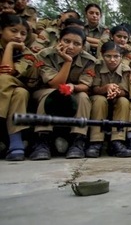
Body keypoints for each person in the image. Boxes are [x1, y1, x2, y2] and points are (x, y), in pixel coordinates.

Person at [30, 27, 96, 160]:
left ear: (82, 47)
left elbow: (85, 85)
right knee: (51, 92)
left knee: (83, 97)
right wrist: (68, 61)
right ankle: (42, 139)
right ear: (58, 41)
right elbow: (54, 84)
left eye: (77, 44)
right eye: (66, 41)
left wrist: (73, 86)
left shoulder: (89, 60)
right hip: (44, 90)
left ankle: (78, 140)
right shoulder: (45, 54)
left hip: (73, 91)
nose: (70, 46)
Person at [0, 14, 39, 161]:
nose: (18, 36)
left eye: (23, 33)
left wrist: (10, 47)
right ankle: (16, 143)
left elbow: (7, 71)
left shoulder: (27, 54)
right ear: (1, 30)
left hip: (16, 82)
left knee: (7, 81)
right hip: (14, 91)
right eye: (13, 31)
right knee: (19, 93)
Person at [87, 41, 131, 158]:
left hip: (116, 98)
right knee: (99, 100)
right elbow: (94, 89)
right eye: (108, 56)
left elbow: (126, 91)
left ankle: (117, 141)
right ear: (102, 55)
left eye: (116, 56)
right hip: (100, 97)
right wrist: (107, 87)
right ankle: (95, 142)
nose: (112, 60)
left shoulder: (125, 69)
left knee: (124, 101)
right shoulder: (97, 66)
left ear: (121, 57)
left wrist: (117, 91)